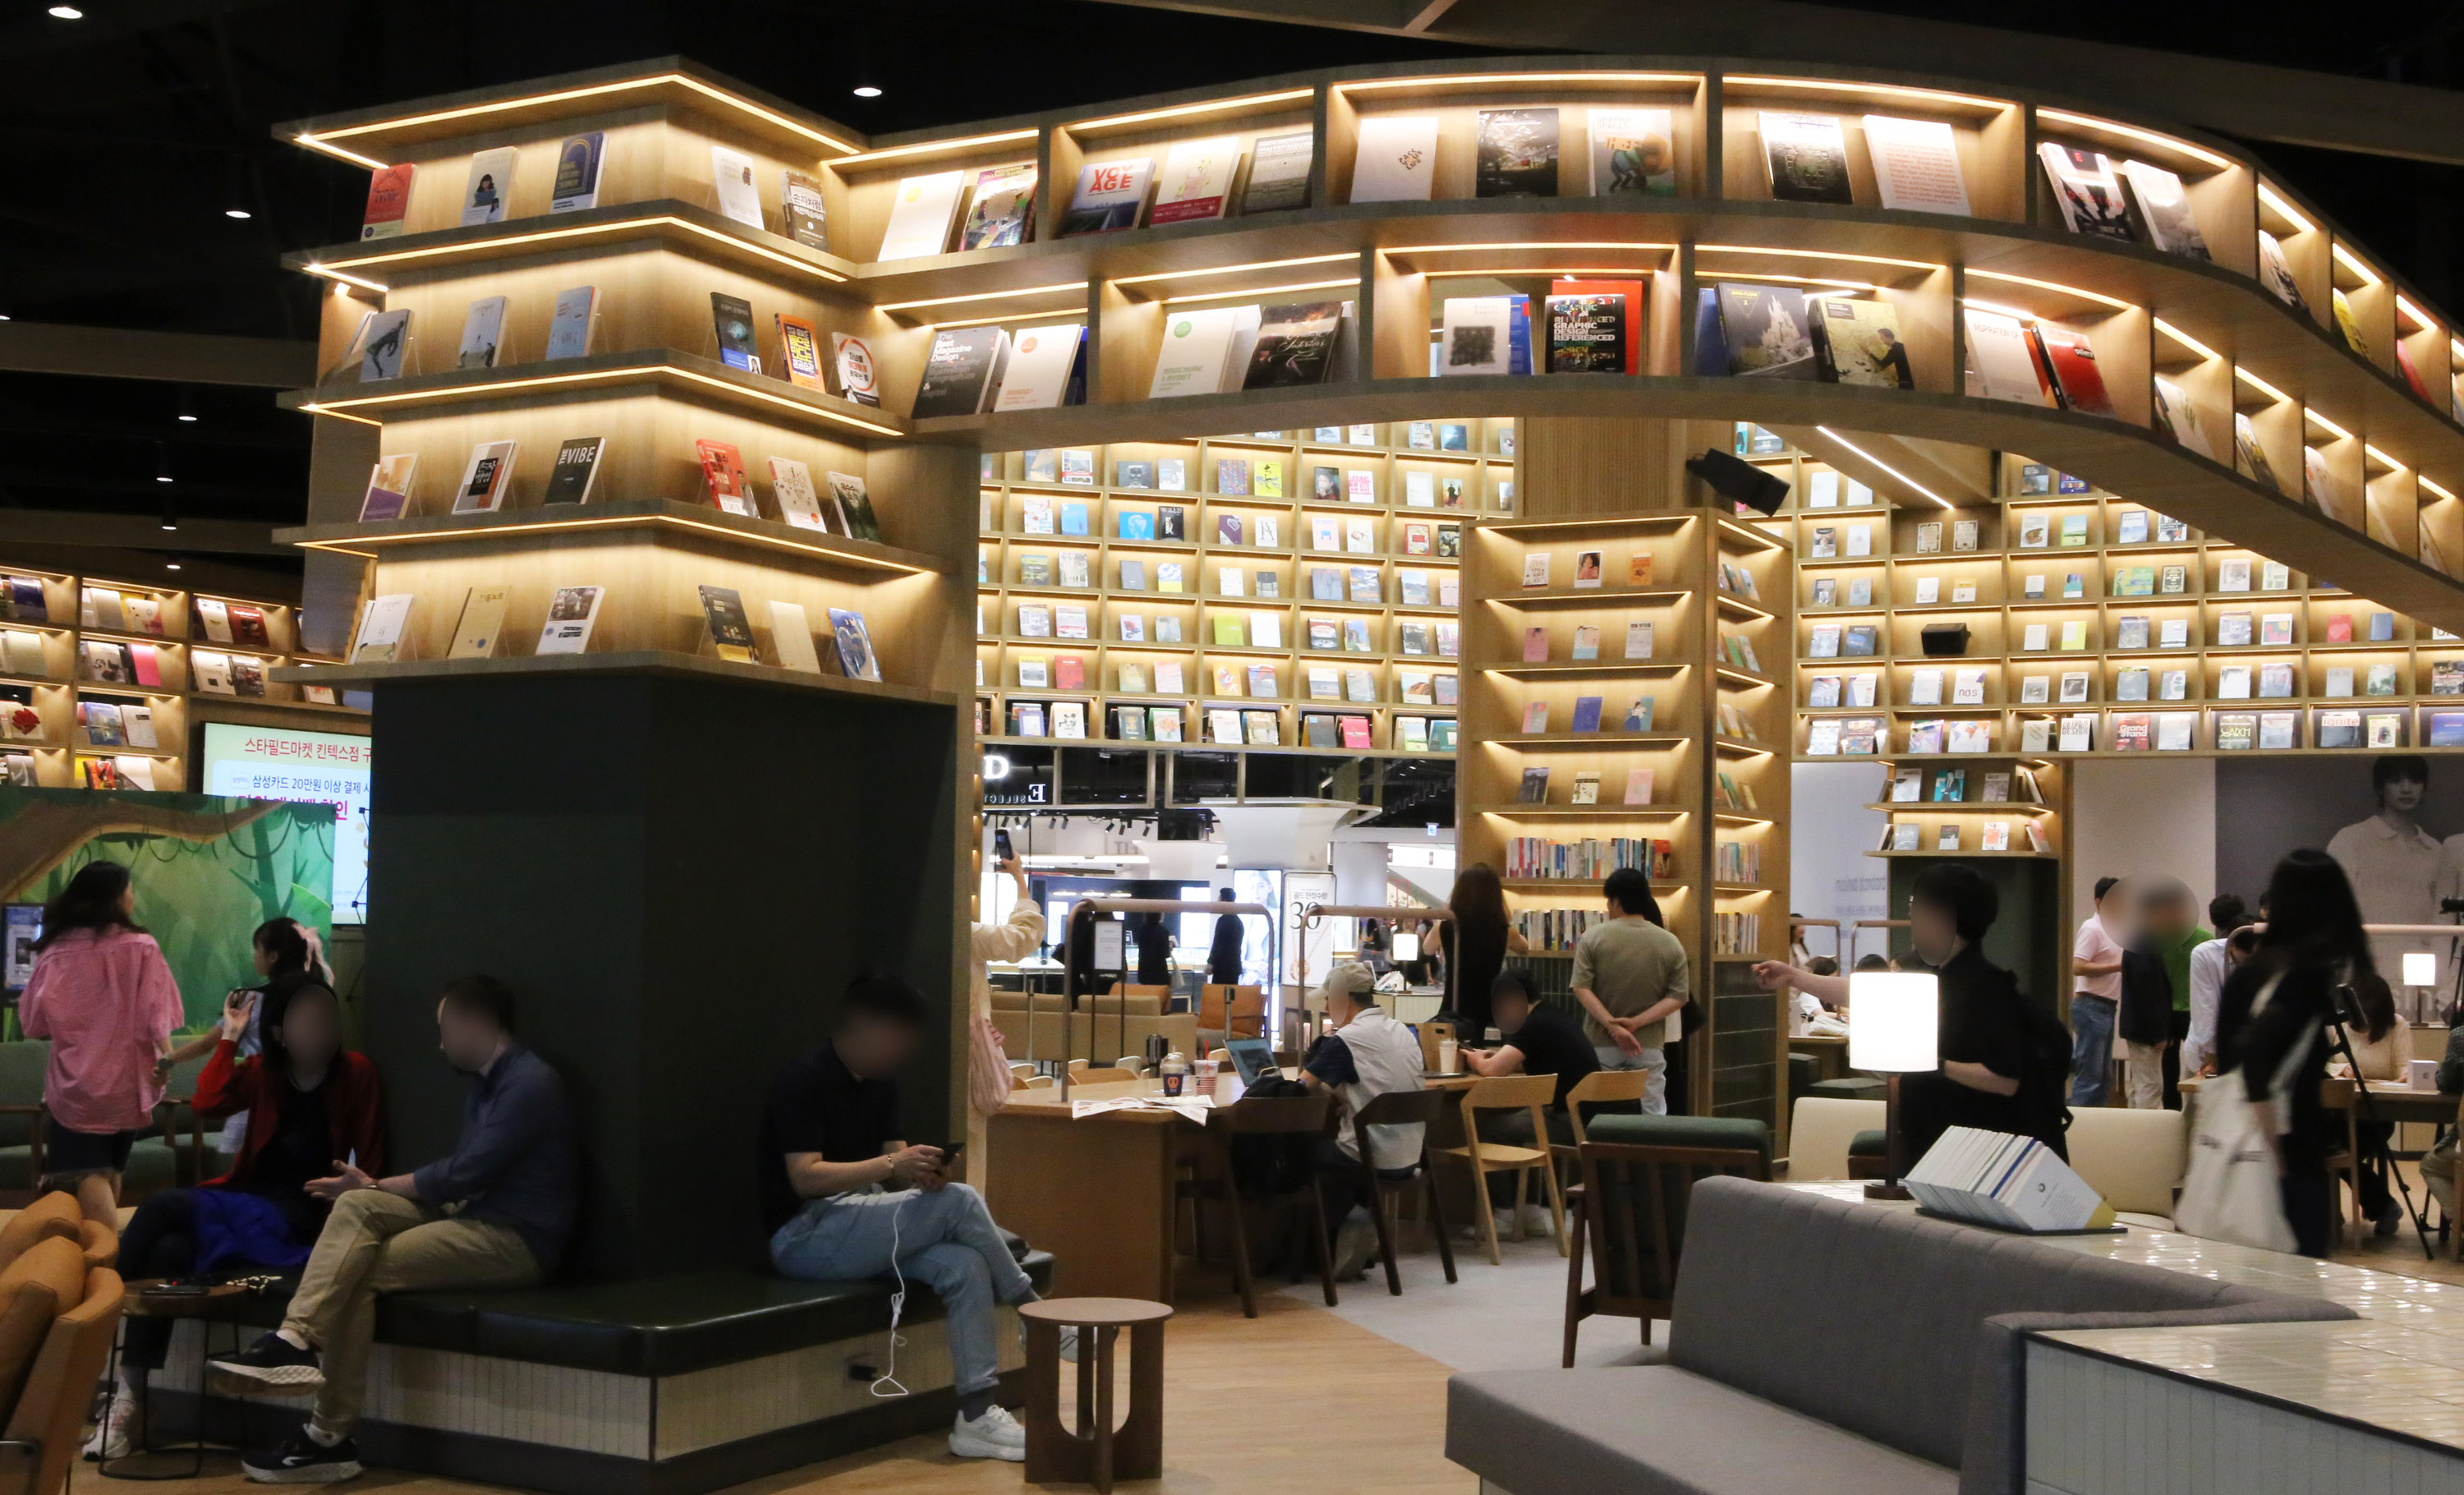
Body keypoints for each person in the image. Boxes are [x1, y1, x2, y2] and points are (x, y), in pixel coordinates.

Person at [209, 975, 577, 1484]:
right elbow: (461, 1179)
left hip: (515, 1240)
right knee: (356, 1205)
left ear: (477, 1023)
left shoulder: (530, 1085)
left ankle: (327, 1437)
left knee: (357, 1268)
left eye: (445, 1031)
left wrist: (378, 1182)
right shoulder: (490, 1082)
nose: (442, 1045)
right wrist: (369, 1189)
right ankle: (294, 1338)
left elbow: (464, 1173)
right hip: (471, 1215)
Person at [87, 979, 385, 1460]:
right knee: (168, 1252)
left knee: (161, 1206)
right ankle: (130, 1398)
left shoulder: (356, 1072)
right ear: (280, 1032)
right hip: (244, 1204)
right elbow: (207, 1104)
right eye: (308, 1020)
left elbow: (371, 1161)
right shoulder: (265, 1070)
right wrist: (229, 1036)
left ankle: (90, 1320)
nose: (322, 1031)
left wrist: (361, 1191)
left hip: (295, 1219)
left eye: (327, 1019)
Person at [761, 974, 1049, 1463]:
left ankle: (976, 1416)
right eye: (896, 1036)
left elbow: (893, 1173)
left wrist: (921, 1175)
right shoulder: (802, 1078)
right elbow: (805, 1178)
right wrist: (895, 1164)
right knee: (960, 1200)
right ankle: (1031, 1311)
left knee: (965, 1265)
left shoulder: (881, 1082)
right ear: (862, 1026)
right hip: (805, 1235)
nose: (902, 1050)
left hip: (867, 1223)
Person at [1757, 863, 2066, 1163]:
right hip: (1933, 1143)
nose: (1912, 920)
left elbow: (2005, 1079)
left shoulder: (1988, 989)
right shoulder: (1931, 971)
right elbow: (1864, 992)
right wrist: (1793, 977)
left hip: (1973, 1155)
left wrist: (1932, 1063)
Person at [17, 862, 184, 1231]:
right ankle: (107, 1251)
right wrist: (166, 1062)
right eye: (129, 889)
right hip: (130, 1083)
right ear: (115, 898)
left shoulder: (56, 952)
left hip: (78, 1086)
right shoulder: (143, 947)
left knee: (89, 1174)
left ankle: (106, 1256)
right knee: (110, 1172)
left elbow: (33, 1024)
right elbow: (158, 1017)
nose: (132, 896)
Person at [2227, 849, 2374, 1258]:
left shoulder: (2250, 975)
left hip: (2239, 1153)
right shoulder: (2302, 977)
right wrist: (2274, 1154)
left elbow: (2236, 1057)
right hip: (2286, 1159)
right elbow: (2257, 1053)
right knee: (2296, 1281)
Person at [1298, 962, 1427, 1279]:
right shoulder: (1402, 1030)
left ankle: (1301, 1256)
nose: (1326, 1008)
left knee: (1298, 1155)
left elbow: (1302, 1087)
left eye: (1329, 1000)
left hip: (1369, 1156)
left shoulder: (1347, 1039)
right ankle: (1350, 1237)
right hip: (1410, 1156)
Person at [1459, 970, 1600, 1234]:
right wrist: (1497, 1056)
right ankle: (1530, 1212)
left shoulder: (1531, 1024)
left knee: (1489, 1129)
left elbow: (1493, 1071)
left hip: (1566, 1120)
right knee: (1528, 1123)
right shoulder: (1553, 1016)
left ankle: (1502, 1215)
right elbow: (1526, 1058)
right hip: (1588, 1118)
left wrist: (1476, 1059)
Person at [2330, 756, 2443, 1024]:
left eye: (2414, 780)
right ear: (2381, 787)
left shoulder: (2436, 850)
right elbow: (2334, 908)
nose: (2406, 788)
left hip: (2423, 968)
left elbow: (2443, 918)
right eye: (2396, 780)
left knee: (2422, 1037)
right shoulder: (2350, 840)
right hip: (2367, 964)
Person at [1567, 868, 1688, 1113]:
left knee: (1601, 1113)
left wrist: (1614, 1028)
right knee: (1651, 1113)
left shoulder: (1592, 938)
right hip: (1648, 1045)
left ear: (1615, 901)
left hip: (1600, 1042)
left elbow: (1581, 988)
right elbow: (1678, 997)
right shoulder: (1670, 942)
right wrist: (1635, 1023)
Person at [966, 853, 1045, 1168]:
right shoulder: (966, 934)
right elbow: (1023, 936)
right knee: (968, 1152)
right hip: (968, 1060)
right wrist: (1019, 878)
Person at [2120, 879, 2207, 1110]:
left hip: (2143, 1026)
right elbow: (2147, 992)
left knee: (2140, 1085)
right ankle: (2145, 1131)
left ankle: (2133, 1127)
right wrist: (2159, 1032)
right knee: (2150, 1087)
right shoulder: (2144, 944)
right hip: (2146, 1028)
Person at [2339, 968, 2411, 1235]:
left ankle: (2383, 1208)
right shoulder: (2340, 1026)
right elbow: (2324, 1064)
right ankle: (2382, 1207)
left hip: (2377, 1114)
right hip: (2342, 1112)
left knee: (2341, 1151)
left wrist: (2404, 1077)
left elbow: (2405, 1069)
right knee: (2326, 1147)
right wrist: (2340, 1069)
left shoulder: (2397, 1026)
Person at [1440, 862, 1526, 1037]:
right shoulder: (1503, 931)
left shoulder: (1446, 928)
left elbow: (1427, 949)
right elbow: (1525, 948)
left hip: (1453, 1009)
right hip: (1490, 1014)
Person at [2068, 876, 2125, 1106]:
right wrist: (2117, 967)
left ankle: (2097, 1121)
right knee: (2090, 1076)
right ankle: (2080, 1122)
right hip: (2091, 1006)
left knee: (2103, 1077)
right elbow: (2078, 967)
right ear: (2099, 902)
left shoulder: (2116, 928)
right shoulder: (2092, 928)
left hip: (2107, 1006)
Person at [2184, 898, 2255, 1078]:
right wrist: (2213, 1055)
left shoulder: (2267, 956)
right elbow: (2206, 1009)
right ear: (2231, 946)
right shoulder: (2205, 955)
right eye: (2247, 958)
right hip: (2207, 1054)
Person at [1207, 888, 1245, 987]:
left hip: (1222, 968)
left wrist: (1211, 963)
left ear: (1223, 900)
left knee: (1219, 994)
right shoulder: (1238, 922)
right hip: (1234, 967)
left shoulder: (1223, 921)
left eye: (1219, 898)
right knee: (1231, 994)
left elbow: (1218, 944)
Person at [1133, 910, 1174, 988]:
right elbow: (1166, 954)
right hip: (1160, 972)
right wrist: (1170, 946)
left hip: (1144, 971)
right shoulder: (1163, 931)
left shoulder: (1141, 931)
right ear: (1159, 916)